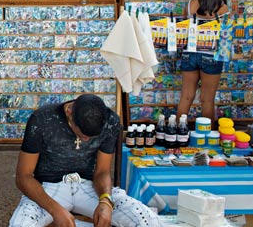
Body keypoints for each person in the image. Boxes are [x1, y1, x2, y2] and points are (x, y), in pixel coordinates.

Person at [9, 94, 160, 227]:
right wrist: (55, 210)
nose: (86, 140)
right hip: (48, 188)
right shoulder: (42, 119)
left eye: (91, 137)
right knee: (19, 224)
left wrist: (106, 200)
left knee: (148, 220)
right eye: (82, 135)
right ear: (69, 113)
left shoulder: (111, 120)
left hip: (89, 186)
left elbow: (102, 171)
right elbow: (23, 177)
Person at [177, 0, 229, 123]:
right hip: (212, 55)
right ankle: (207, 138)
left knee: (186, 97)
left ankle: (179, 132)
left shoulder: (190, 4)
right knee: (207, 100)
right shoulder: (222, 8)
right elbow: (225, 37)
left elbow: (182, 29)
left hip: (189, 54)